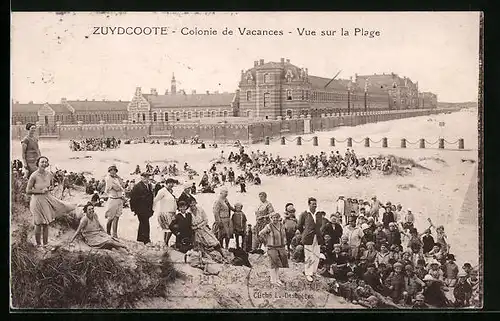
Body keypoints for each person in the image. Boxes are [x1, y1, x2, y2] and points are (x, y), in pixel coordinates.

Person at [26, 156, 76, 247]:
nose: (44, 164)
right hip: (36, 201)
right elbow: (28, 191)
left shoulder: (49, 174)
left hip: (47, 200)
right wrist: (41, 191)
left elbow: (52, 186)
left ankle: (45, 244)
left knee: (46, 223)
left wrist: (51, 188)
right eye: (42, 162)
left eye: (46, 162)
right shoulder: (33, 175)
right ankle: (38, 245)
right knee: (38, 223)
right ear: (38, 163)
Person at [298, 197, 324, 282]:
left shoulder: (319, 214)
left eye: (315, 204)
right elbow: (299, 226)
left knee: (316, 254)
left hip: (317, 237)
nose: (315, 205)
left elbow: (320, 225)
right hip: (308, 237)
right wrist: (305, 233)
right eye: (313, 204)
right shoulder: (304, 214)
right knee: (309, 255)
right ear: (309, 204)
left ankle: (314, 271)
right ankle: (308, 273)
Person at [259, 212, 289, 286]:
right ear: (271, 218)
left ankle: (277, 279)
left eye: (276, 217)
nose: (275, 219)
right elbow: (261, 233)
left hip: (280, 247)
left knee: (278, 264)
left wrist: (284, 242)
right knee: (273, 264)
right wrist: (266, 242)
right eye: (273, 218)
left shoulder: (282, 225)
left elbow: (284, 235)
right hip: (272, 247)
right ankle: (273, 280)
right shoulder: (269, 226)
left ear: (279, 218)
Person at [130, 172, 154, 245]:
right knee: (145, 223)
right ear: (141, 177)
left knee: (143, 223)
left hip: (147, 208)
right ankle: (146, 239)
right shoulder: (137, 186)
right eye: (145, 177)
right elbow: (133, 198)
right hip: (140, 208)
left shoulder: (149, 185)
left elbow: (150, 197)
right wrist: (134, 209)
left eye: (147, 177)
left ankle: (140, 239)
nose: (146, 178)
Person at [153, 178, 178, 246]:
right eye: (170, 183)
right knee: (169, 229)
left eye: (172, 183)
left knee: (167, 229)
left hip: (171, 212)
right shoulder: (162, 191)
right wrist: (153, 209)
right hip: (165, 212)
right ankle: (166, 243)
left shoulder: (170, 191)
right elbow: (155, 200)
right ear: (166, 183)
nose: (171, 185)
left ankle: (165, 243)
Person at [104, 165, 124, 238]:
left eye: (115, 170)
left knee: (117, 217)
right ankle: (108, 233)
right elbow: (116, 188)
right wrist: (119, 187)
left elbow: (122, 185)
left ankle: (115, 234)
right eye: (112, 170)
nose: (113, 171)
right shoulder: (108, 178)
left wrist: (118, 177)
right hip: (113, 199)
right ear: (109, 171)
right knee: (110, 218)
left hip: (119, 199)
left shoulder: (116, 178)